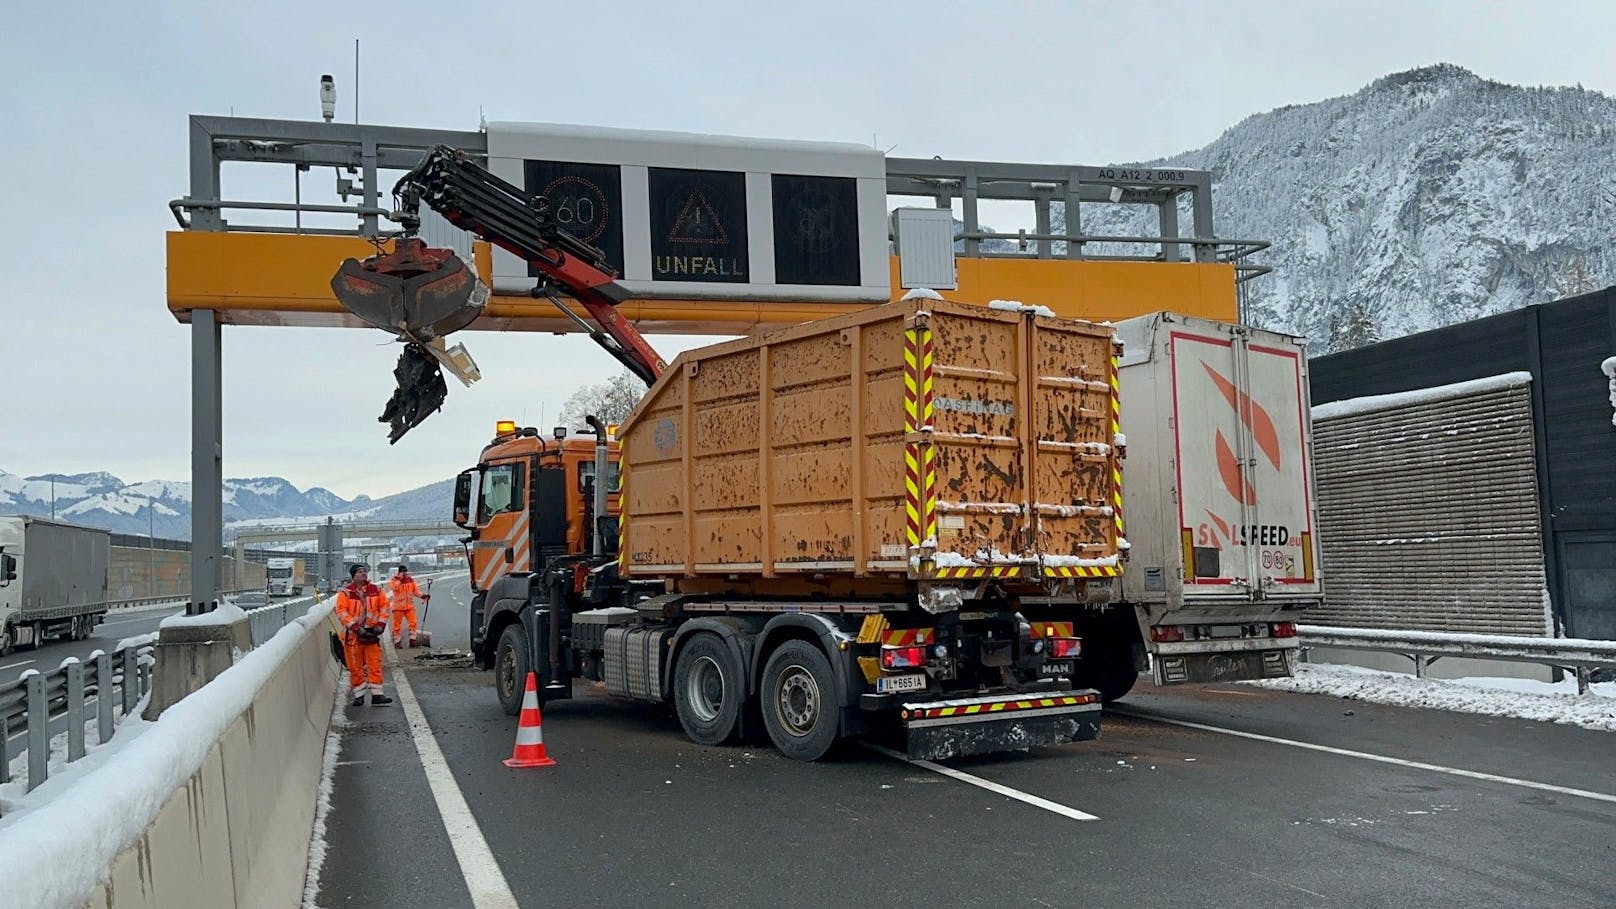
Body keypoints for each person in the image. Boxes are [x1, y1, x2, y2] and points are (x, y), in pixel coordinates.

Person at [335, 564, 392, 706]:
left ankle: (377, 694)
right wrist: (355, 628)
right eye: (360, 572)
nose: (363, 574)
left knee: (375, 664)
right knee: (355, 666)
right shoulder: (346, 593)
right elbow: (342, 612)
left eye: (364, 571)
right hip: (353, 636)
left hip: (372, 633)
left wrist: (381, 625)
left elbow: (384, 607)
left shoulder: (376, 590)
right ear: (353, 575)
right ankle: (359, 694)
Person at [388, 563, 427, 647]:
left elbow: (415, 591)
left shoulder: (410, 579)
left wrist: (423, 595)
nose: (405, 573)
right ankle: (397, 641)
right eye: (403, 572)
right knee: (397, 625)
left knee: (413, 622)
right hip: (398, 607)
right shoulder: (394, 580)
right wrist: (400, 580)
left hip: (409, 606)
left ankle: (413, 640)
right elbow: (395, 587)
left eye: (405, 572)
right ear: (399, 572)